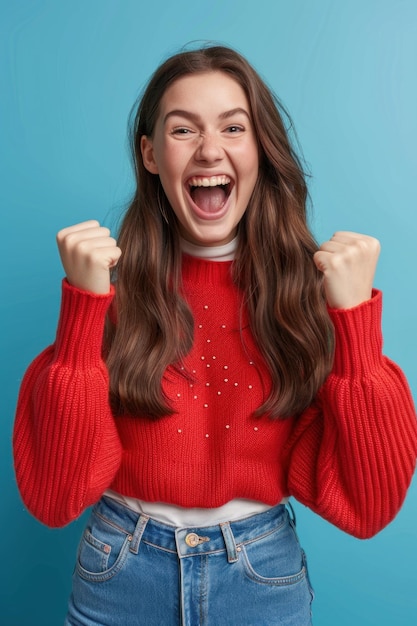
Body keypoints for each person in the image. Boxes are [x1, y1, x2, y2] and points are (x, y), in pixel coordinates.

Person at [13, 44, 417, 626]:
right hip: (120, 573)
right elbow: (53, 498)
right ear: (151, 154)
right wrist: (82, 312)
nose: (209, 149)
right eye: (183, 129)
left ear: (259, 149)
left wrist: (354, 322)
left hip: (261, 579)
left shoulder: (312, 297)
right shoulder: (107, 292)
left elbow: (369, 507)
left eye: (233, 126)